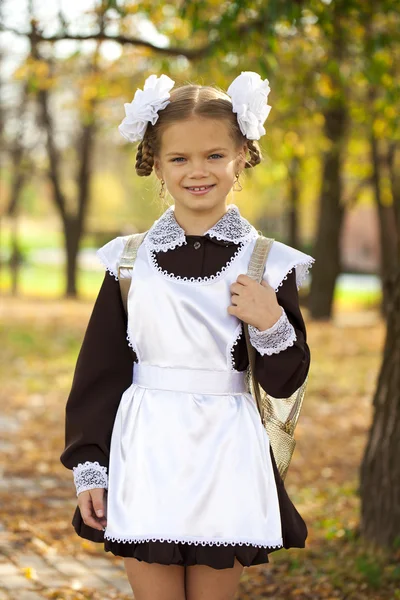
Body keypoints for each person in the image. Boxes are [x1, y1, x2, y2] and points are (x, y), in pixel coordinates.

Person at [60, 71, 314, 600]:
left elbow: (287, 379)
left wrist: (271, 321)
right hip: (145, 453)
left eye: (215, 155)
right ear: (155, 163)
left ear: (243, 154)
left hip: (227, 458)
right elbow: (99, 373)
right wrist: (91, 465)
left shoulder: (267, 263)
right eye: (179, 159)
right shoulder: (129, 262)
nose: (198, 171)